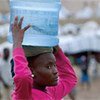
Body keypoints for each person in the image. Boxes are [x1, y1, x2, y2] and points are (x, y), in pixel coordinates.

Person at [11, 16, 77, 100]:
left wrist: (54, 44)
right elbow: (23, 78)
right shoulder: (25, 95)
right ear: (31, 71)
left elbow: (69, 78)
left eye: (55, 65)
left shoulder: (51, 92)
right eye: (48, 67)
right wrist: (17, 43)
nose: (55, 71)